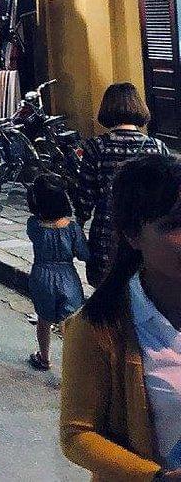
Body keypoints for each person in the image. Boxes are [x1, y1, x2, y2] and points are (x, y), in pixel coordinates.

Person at [60, 153, 181, 480]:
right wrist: (156, 478)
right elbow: (77, 436)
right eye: (173, 224)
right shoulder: (98, 327)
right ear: (132, 235)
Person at [74, 82, 170, 286]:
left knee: (108, 297)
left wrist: (78, 223)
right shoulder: (158, 148)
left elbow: (85, 196)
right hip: (147, 237)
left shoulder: (96, 147)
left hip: (106, 235)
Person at [26, 175, 89, 371]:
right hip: (67, 276)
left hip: (41, 276)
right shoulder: (72, 228)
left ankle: (44, 358)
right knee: (68, 324)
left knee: (44, 319)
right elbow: (84, 254)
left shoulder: (34, 225)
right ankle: (74, 365)